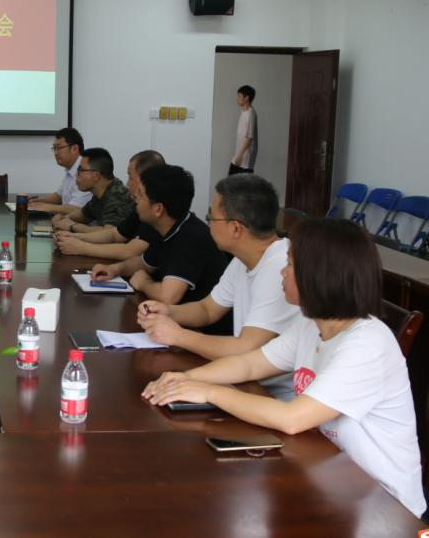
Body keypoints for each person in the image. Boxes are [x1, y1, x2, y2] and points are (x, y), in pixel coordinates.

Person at [143, 218, 426, 519]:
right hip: (332, 482)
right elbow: (250, 364)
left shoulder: (367, 344)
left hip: (385, 508)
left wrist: (208, 392)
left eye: (289, 263)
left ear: (318, 274)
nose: (282, 271)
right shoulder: (312, 324)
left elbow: (292, 419)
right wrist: (186, 378)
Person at [137, 174, 300, 362]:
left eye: (211, 218)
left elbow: (246, 348)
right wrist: (167, 311)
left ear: (235, 228)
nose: (208, 225)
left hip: (268, 380)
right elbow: (207, 310)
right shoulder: (242, 259)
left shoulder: (280, 267)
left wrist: (178, 336)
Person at [92, 165, 229, 311]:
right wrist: (114, 269)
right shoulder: (164, 227)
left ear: (158, 209)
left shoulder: (191, 237)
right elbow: (144, 264)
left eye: (141, 195)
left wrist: (144, 283)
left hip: (202, 323)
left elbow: (168, 296)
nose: (136, 199)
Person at [54, 149, 165, 260]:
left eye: (130, 177)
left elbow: (129, 251)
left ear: (146, 180)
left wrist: (80, 245)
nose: (127, 183)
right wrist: (74, 236)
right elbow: (114, 234)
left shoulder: (155, 209)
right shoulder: (140, 206)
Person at [52, 147, 133, 233]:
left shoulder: (116, 195)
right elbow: (83, 215)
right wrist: (64, 218)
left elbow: (108, 232)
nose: (76, 175)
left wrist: (72, 226)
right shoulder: (100, 193)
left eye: (80, 170)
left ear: (96, 176)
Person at [27, 127, 92, 216]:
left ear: (75, 149)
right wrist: (39, 201)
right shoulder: (71, 169)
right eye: (54, 148)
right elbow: (59, 196)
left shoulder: (86, 172)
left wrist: (45, 207)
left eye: (59, 148)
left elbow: (75, 208)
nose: (56, 153)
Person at [229, 84, 258, 175]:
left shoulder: (251, 113)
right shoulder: (244, 112)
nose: (237, 98)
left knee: (239, 182)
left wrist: (240, 155)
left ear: (246, 98)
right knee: (232, 181)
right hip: (239, 155)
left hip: (244, 158)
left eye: (239, 96)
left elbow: (249, 137)